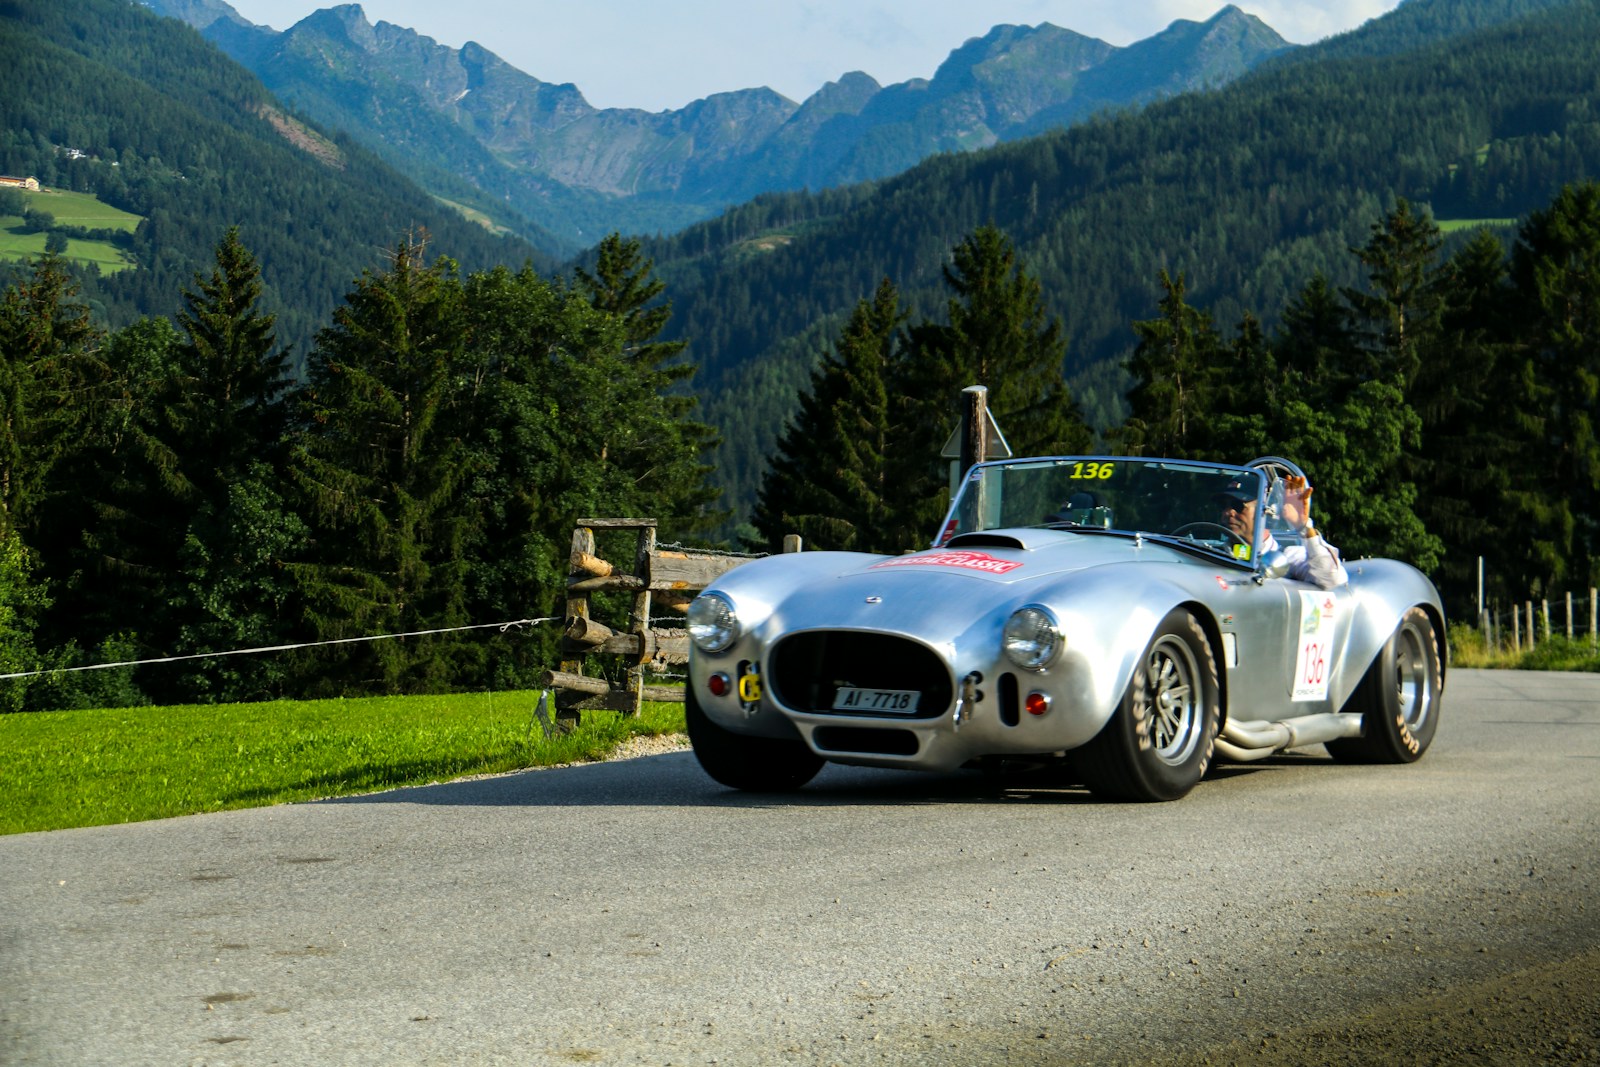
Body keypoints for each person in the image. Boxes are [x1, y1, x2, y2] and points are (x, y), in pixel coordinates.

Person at [1217, 473, 1348, 589]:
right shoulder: (1214, 554)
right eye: (1224, 506)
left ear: (1268, 513)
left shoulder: (1290, 558)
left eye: (1238, 506)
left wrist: (1304, 527)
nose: (1228, 512)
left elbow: (1333, 580)